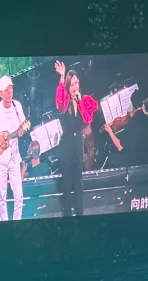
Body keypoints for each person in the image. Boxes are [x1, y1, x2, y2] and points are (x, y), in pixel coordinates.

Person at [53, 61, 99, 217]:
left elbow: (87, 119)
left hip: (78, 145)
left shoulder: (83, 101)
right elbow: (60, 102)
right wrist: (62, 76)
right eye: (72, 84)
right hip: (66, 146)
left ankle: (80, 213)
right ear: (67, 86)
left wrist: (80, 102)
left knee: (78, 182)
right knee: (66, 183)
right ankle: (67, 214)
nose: (75, 87)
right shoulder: (65, 102)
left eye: (76, 83)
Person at [0, 75, 29, 221]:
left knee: (19, 195)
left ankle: (17, 222)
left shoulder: (17, 106)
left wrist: (22, 131)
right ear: (0, 93)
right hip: (0, 160)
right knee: (2, 197)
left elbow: (23, 125)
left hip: (14, 157)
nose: (9, 92)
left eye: (11, 88)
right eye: (6, 90)